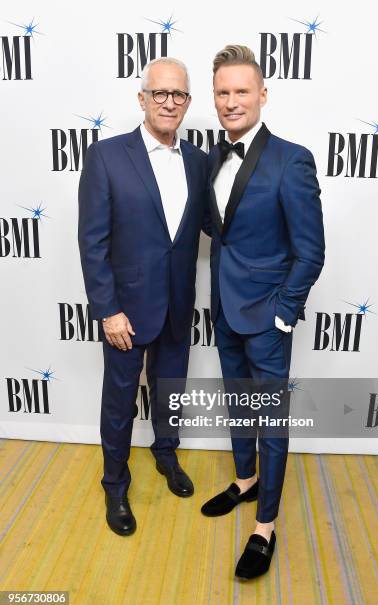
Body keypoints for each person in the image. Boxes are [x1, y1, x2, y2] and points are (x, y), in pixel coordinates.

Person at [201, 45, 325, 579]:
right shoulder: (213, 156)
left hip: (268, 315)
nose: (231, 102)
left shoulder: (291, 158)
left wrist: (284, 312)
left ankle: (266, 525)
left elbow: (311, 249)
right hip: (225, 308)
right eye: (223, 92)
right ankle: (246, 480)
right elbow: (220, 229)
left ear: (262, 95)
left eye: (241, 91)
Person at [78, 57, 208, 536]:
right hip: (126, 311)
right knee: (119, 400)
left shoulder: (198, 160)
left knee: (170, 392)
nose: (169, 102)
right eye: (160, 94)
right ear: (142, 99)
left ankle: (166, 456)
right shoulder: (107, 156)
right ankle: (115, 481)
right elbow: (91, 242)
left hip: (177, 303)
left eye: (178, 95)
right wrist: (108, 310)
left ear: (188, 102)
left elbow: (209, 226)